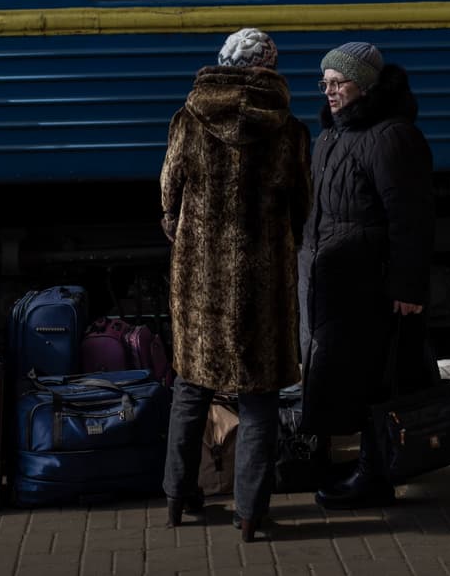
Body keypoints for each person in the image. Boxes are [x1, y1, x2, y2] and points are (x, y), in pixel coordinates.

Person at [159, 27, 312, 542]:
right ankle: (250, 513)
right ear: (269, 67)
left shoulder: (188, 119)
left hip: (199, 286)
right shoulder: (289, 129)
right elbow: (301, 209)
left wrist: (184, 237)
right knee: (260, 398)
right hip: (262, 288)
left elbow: (169, 194)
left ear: (222, 62)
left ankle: (178, 497)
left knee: (190, 390)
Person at [298, 41, 436, 509]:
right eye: (326, 83)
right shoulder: (333, 136)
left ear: (366, 86)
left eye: (339, 83)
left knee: (381, 380)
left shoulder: (391, 136)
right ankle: (351, 466)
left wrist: (407, 286)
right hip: (335, 280)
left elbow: (411, 218)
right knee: (341, 376)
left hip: (371, 280)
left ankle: (375, 476)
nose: (330, 91)